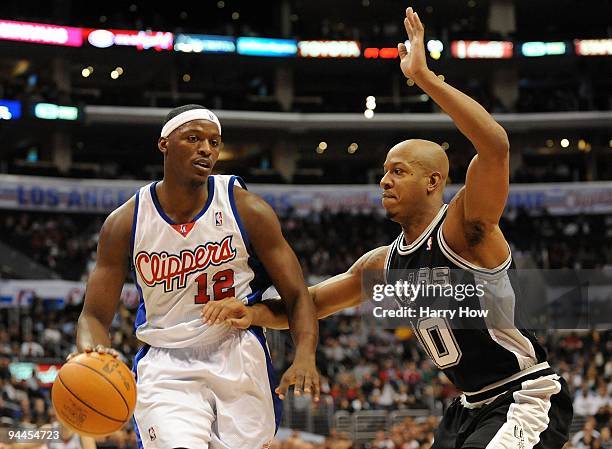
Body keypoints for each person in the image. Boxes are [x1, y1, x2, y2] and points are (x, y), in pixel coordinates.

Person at [201, 7, 573, 449]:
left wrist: (425, 77)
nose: (384, 180)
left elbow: (494, 146)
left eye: (398, 171)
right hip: (467, 409)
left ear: (434, 181)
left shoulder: (464, 229)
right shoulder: (383, 262)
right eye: (384, 171)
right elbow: (312, 302)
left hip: (521, 395)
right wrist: (255, 313)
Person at [73, 105, 319, 449]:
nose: (206, 149)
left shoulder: (247, 209)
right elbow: (94, 315)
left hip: (237, 352)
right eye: (193, 138)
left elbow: (296, 294)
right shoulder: (125, 222)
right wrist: (93, 352)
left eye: (214, 142)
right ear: (164, 144)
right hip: (166, 363)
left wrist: (305, 354)